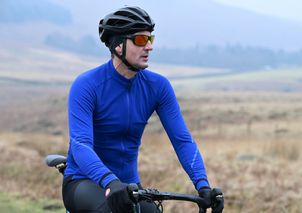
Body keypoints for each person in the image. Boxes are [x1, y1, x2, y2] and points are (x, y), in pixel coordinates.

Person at [62, 6, 224, 213]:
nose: (149, 47)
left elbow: (182, 141)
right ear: (118, 45)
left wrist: (203, 186)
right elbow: (80, 145)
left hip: (128, 186)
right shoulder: (87, 85)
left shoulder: (158, 86)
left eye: (150, 39)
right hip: (84, 180)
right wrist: (109, 181)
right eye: (140, 40)